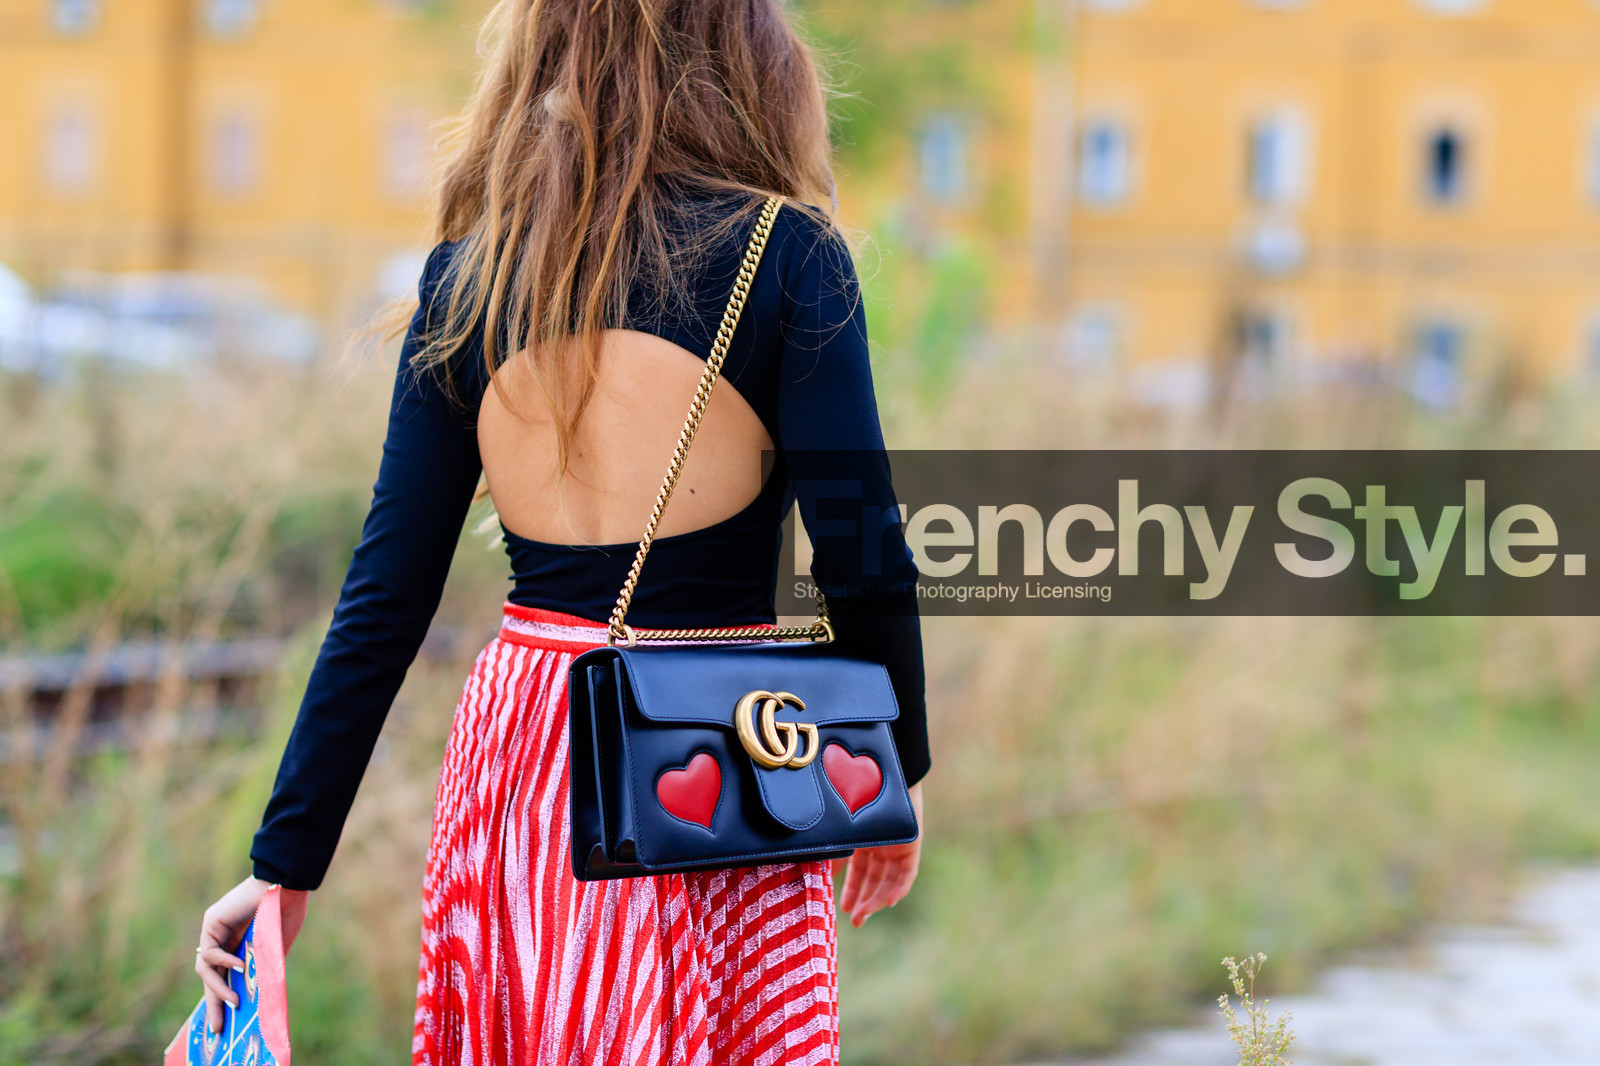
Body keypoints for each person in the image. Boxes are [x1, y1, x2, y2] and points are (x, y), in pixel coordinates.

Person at [189, 1, 929, 1062]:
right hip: (718, 746)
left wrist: (284, 864)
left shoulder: (472, 276)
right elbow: (864, 556)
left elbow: (383, 597)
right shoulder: (788, 257)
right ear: (747, 61)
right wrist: (891, 773)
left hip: (524, 746)